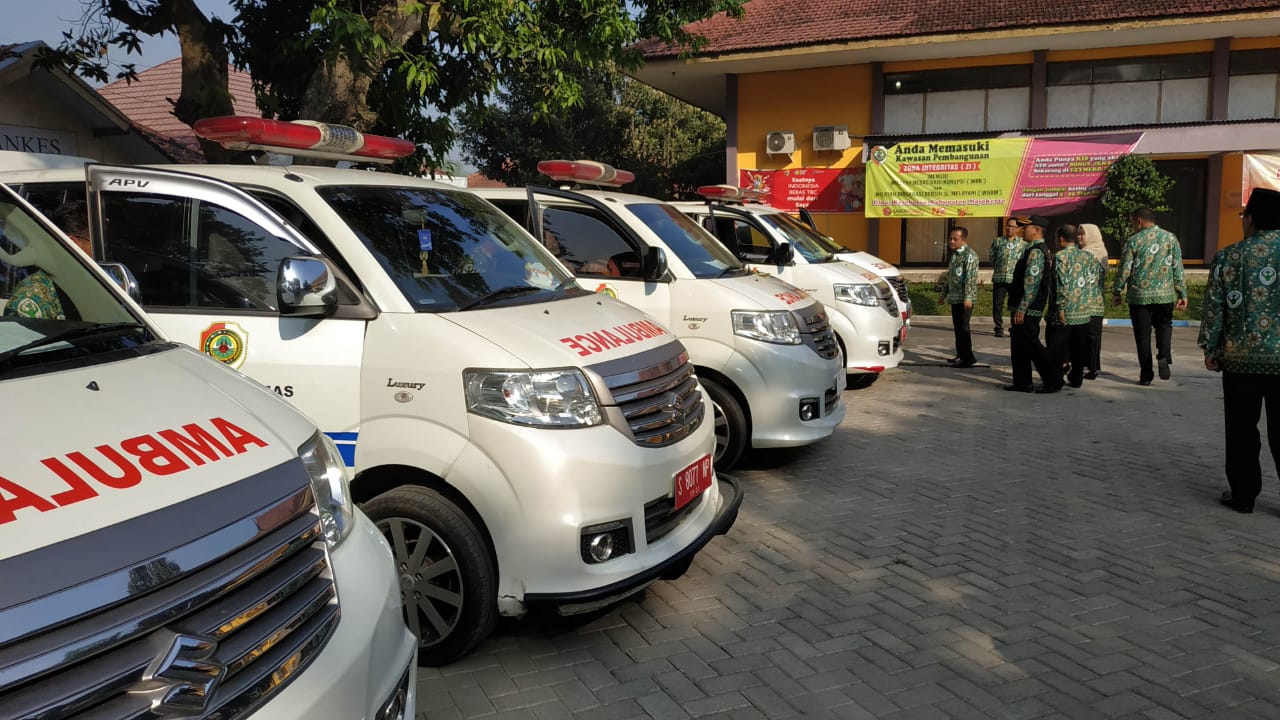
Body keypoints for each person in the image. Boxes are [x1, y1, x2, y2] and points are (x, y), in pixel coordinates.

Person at [1198, 188, 1280, 514]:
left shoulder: (1229, 256)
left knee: (1242, 429)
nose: (1243, 221)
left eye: (1244, 215)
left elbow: (1215, 308)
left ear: (1253, 219)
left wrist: (1211, 347)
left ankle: (1243, 495)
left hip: (1240, 359)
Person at [1112, 208, 1187, 386]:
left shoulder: (1133, 241)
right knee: (1164, 327)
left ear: (1138, 221)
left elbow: (1125, 269)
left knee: (1142, 336)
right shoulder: (1170, 238)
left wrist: (1117, 291)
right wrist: (1182, 292)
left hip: (1139, 296)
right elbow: (1177, 267)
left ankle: (1146, 374)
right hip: (1165, 294)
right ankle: (1163, 355)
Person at [1006, 215, 1061, 393]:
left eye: (1026, 228)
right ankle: (1022, 382)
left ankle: (1053, 379)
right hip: (1022, 306)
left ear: (1036, 230)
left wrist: (1022, 308)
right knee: (1019, 345)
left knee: (1032, 345)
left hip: (1028, 308)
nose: (1022, 230)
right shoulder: (1032, 249)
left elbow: (1032, 282)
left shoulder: (1037, 251)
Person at [1047, 224, 1093, 388]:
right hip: (1082, 310)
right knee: (1078, 347)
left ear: (1060, 238)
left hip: (1064, 312)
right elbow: (1091, 282)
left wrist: (1060, 308)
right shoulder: (1087, 256)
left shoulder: (1060, 257)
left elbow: (1061, 284)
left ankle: (1055, 380)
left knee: (1057, 348)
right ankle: (1076, 378)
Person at [939, 226, 978, 368]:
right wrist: (943, 294)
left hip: (965, 299)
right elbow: (950, 276)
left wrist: (968, 297)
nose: (951, 241)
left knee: (963, 328)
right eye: (950, 238)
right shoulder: (955, 255)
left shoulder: (970, 255)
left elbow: (971, 278)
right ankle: (960, 354)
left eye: (955, 239)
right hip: (954, 298)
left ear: (963, 240)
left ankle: (968, 357)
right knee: (957, 328)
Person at [1077, 223, 1108, 379]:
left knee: (1086, 335)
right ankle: (1092, 366)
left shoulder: (1086, 254)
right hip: (1097, 301)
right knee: (1093, 336)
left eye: (1082, 234)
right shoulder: (1101, 253)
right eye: (1078, 234)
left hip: (1084, 301)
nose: (1079, 237)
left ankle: (1087, 365)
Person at [989, 217, 1028, 338]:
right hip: (1000, 278)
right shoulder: (998, 241)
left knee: (1013, 304)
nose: (1010, 228)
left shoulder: (1023, 244)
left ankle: (1013, 327)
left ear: (1018, 229)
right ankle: (998, 327)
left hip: (1014, 279)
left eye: (1013, 226)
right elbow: (992, 257)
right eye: (1008, 226)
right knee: (997, 304)